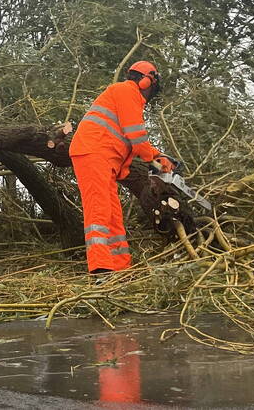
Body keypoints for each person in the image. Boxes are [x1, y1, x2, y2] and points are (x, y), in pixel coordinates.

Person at [69, 61, 178, 273]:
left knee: (113, 214)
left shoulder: (127, 97)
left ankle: (120, 267)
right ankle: (101, 268)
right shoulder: (126, 91)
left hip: (105, 159)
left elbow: (133, 139)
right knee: (98, 210)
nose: (150, 96)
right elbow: (136, 135)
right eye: (152, 90)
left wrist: (159, 155)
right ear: (147, 81)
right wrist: (153, 161)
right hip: (93, 153)